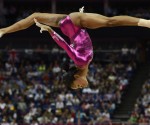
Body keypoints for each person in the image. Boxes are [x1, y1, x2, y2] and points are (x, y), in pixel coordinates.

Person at [0, 7, 150, 89]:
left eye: (77, 86)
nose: (81, 87)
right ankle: (3, 30)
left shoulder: (81, 61)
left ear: (76, 77)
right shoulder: (84, 63)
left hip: (75, 23)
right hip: (69, 24)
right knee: (35, 16)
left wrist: (50, 31)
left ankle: (146, 23)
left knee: (110, 22)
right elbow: (75, 42)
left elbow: (65, 45)